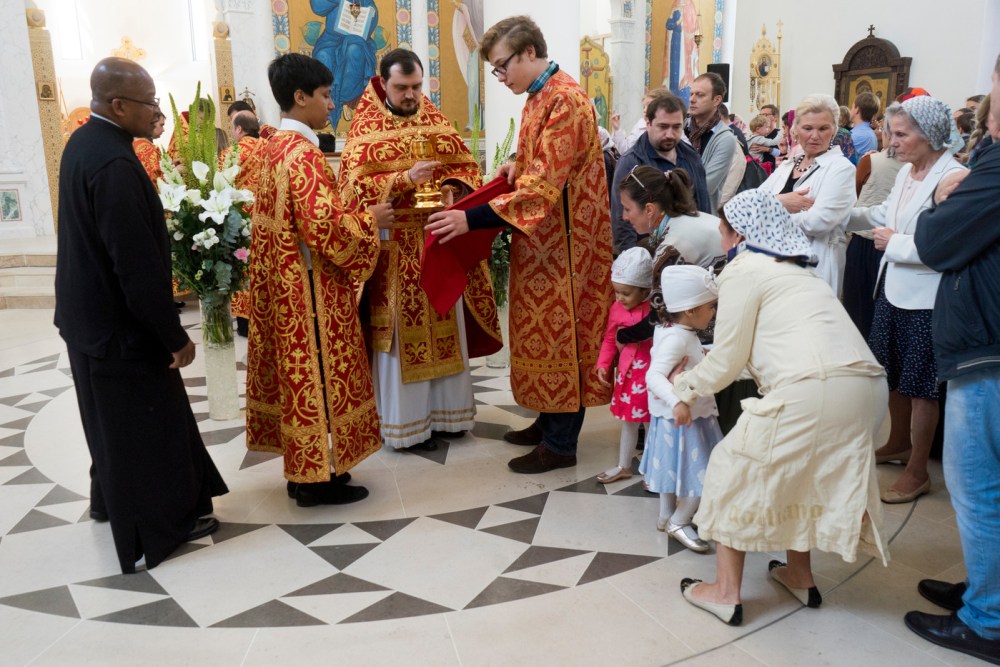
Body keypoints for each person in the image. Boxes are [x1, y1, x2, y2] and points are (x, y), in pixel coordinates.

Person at [672, 189, 888, 626]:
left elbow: (729, 361)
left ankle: (725, 592)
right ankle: (799, 575)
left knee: (730, 469)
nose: (720, 233)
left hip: (815, 389)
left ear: (739, 232)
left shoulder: (744, 269)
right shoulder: (799, 271)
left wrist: (685, 386)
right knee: (801, 471)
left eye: (723, 226)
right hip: (865, 387)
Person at [54, 57, 227, 574]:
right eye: (149, 102)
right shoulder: (115, 166)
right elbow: (134, 266)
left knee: (108, 423)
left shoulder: (85, 144)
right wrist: (172, 335)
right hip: (119, 329)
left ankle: (109, 500)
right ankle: (165, 521)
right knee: (148, 427)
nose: (157, 110)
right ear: (118, 105)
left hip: (87, 321)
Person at [425, 15, 614, 474]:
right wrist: (514, 162)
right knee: (540, 332)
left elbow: (542, 189)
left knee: (564, 334)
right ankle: (550, 418)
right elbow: (539, 164)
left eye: (502, 65)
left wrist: (468, 219)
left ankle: (562, 443)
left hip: (569, 247)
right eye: (495, 68)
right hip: (543, 242)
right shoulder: (538, 97)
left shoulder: (565, 100)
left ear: (530, 52)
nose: (501, 76)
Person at [337, 48, 499, 451]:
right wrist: (404, 178)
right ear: (383, 83)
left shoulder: (435, 118)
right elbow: (351, 189)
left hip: (437, 241)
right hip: (395, 253)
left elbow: (466, 168)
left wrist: (453, 190)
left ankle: (449, 416)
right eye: (402, 87)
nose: (411, 95)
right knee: (399, 342)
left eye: (416, 86)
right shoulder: (365, 125)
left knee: (447, 323)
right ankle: (406, 425)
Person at [245, 53, 388, 506]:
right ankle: (313, 482)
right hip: (309, 292)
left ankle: (305, 467)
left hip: (282, 287)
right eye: (326, 96)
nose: (332, 105)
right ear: (300, 97)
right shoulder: (302, 153)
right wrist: (370, 219)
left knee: (298, 379)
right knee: (319, 375)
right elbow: (322, 224)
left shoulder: (269, 147)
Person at [903, 56, 1000, 663]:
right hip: (985, 343)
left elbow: (936, 242)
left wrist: (939, 198)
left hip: (987, 352)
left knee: (978, 486)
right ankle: (984, 592)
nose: (991, 103)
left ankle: (988, 619)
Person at [850, 96, 966, 504]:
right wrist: (844, 215)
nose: (892, 143)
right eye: (890, 133)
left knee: (921, 389)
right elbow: (885, 212)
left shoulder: (954, 178)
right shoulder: (908, 172)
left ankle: (918, 470)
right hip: (893, 289)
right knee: (892, 374)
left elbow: (950, 246)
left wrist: (896, 245)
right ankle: (898, 442)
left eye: (901, 135)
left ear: (930, 135)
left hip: (927, 298)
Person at [642, 263, 722, 553]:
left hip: (673, 420)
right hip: (688, 418)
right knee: (702, 474)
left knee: (670, 472)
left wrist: (702, 355)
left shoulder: (672, 330)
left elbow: (683, 361)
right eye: (709, 306)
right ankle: (680, 519)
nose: (713, 312)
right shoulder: (677, 338)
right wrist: (677, 402)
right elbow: (653, 375)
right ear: (690, 310)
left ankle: (665, 516)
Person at [759, 94, 857, 296]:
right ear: (795, 131)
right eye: (808, 128)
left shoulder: (840, 169)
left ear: (834, 130)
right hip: (772, 264)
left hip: (813, 266)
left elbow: (819, 222)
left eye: (823, 128)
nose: (815, 136)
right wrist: (781, 202)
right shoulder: (789, 164)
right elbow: (752, 205)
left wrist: (769, 211)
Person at [611, 92, 711, 254]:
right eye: (663, 127)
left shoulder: (691, 157)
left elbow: (702, 205)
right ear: (648, 123)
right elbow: (622, 220)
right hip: (648, 254)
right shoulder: (631, 162)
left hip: (689, 251)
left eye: (676, 127)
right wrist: (631, 259)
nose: (670, 134)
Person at [595, 248, 653, 484]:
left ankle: (651, 469)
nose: (619, 298)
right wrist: (603, 363)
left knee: (652, 422)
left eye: (626, 293)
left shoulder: (654, 311)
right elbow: (610, 338)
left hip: (652, 375)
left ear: (645, 290)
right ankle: (624, 465)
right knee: (629, 421)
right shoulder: (617, 309)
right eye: (617, 292)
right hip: (628, 375)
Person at [842, 122, 903, 340]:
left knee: (857, 306)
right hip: (890, 243)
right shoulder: (908, 168)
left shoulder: (871, 160)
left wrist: (840, 218)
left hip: (866, 241)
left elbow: (856, 192)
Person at [219, 110, 268, 338]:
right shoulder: (268, 148)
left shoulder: (231, 153)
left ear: (239, 129)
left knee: (242, 269)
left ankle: (245, 323)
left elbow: (219, 183)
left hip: (240, 222)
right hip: (266, 219)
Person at [685, 72, 742, 214]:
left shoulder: (725, 139)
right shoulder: (680, 128)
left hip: (700, 215)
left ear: (716, 100)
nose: (692, 99)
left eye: (700, 95)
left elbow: (705, 186)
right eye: (691, 94)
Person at [133, 109, 165, 182]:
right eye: (161, 125)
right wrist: (175, 171)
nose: (163, 130)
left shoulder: (138, 142)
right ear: (150, 123)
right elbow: (155, 180)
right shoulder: (145, 147)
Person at [850, 91, 880, 156]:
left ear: (857, 109)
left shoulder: (856, 135)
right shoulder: (870, 133)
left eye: (852, 107)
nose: (850, 110)